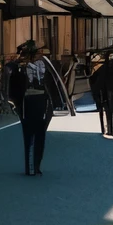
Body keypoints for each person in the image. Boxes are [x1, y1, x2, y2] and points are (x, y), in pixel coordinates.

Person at [8, 39, 67, 175]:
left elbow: (55, 83)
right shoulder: (20, 67)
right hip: (30, 102)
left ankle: (33, 166)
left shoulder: (43, 65)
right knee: (35, 135)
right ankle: (33, 166)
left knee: (35, 134)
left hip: (38, 101)